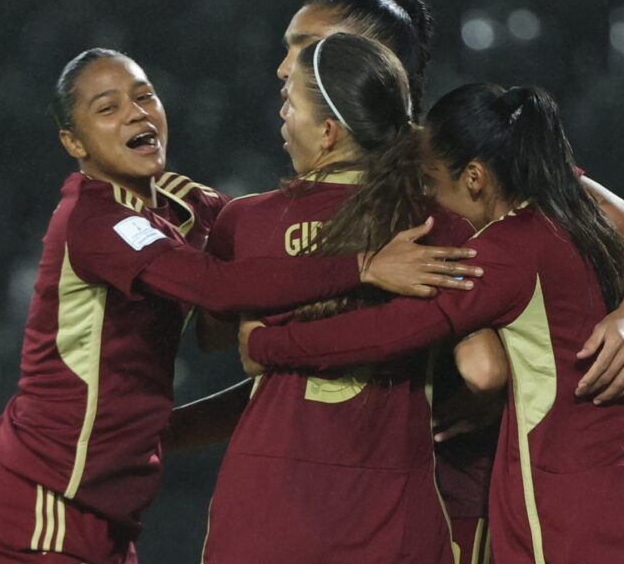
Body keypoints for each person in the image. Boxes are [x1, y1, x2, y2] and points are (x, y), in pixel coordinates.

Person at [176, 0, 624, 564]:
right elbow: (288, 375)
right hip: (343, 492)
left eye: (309, 48)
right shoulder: (314, 190)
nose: (286, 67)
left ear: (373, 59)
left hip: (455, 487)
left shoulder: (463, 158)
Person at [0, 47, 481, 564]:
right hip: (45, 507)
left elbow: (270, 245)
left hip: (111, 514)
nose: (137, 112)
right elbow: (218, 288)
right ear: (73, 142)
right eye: (108, 107)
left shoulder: (185, 202)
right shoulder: (95, 220)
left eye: (145, 96)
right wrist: (363, 265)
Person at [240, 84, 624, 564]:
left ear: (473, 178)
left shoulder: (506, 252)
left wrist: (271, 343)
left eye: (432, 179)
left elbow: (384, 332)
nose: (430, 195)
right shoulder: (580, 210)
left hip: (575, 515)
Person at [199, 33, 471, 564]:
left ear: (327, 131)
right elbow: (484, 363)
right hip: (392, 508)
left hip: (266, 506)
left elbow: (213, 337)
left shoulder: (245, 223)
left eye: (289, 104)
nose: (282, 120)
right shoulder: (443, 225)